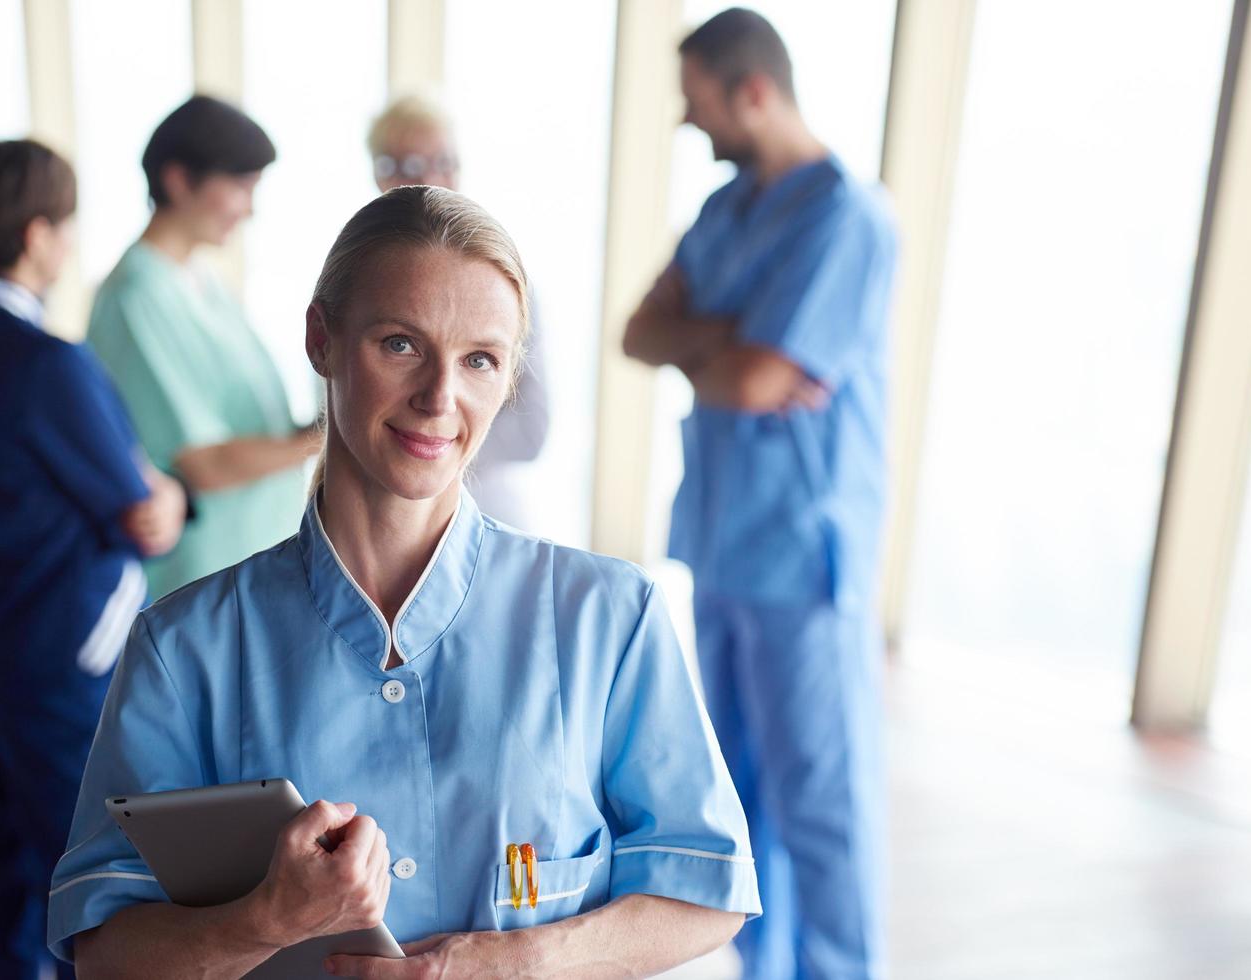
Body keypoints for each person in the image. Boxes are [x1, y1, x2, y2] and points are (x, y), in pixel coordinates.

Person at [47, 186, 761, 977]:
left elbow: (707, 893)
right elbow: (104, 953)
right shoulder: (184, 651)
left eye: (479, 360)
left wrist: (508, 962)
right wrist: (264, 919)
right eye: (399, 344)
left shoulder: (608, 619)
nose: (438, 398)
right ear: (322, 339)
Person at [622, 9, 898, 980]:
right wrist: (728, 337)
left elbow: (749, 379)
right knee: (740, 799)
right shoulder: (726, 210)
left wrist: (715, 342)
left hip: (801, 551)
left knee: (821, 804)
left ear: (750, 91)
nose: (686, 124)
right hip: (724, 543)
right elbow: (640, 333)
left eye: (696, 102)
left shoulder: (847, 219)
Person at [0, 139, 187, 980]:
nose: (71, 244)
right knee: (84, 879)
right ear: (38, 235)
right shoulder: (49, 363)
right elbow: (142, 512)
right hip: (59, 649)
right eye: (66, 226)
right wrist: (175, 496)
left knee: (5, 860)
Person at [88, 94, 321, 600]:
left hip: (254, 556)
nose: (250, 209)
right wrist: (337, 439)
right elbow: (205, 464)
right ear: (178, 180)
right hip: (203, 575)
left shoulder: (202, 278)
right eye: (240, 187)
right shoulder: (138, 295)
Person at [367, 94, 550, 530]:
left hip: (485, 512)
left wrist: (424, 445)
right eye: (410, 166)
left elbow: (532, 430)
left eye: (444, 161)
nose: (432, 178)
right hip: (380, 523)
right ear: (380, 173)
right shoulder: (350, 282)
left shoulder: (506, 284)